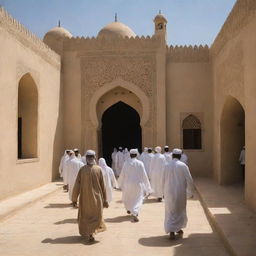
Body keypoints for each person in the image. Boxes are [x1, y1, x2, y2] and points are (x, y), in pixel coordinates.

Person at [72, 150, 108, 242]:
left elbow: (77, 185)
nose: (90, 158)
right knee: (96, 217)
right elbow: (103, 186)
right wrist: (105, 199)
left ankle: (90, 232)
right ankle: (92, 233)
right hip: (97, 200)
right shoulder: (98, 169)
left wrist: (74, 198)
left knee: (86, 217)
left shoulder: (83, 170)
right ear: (94, 158)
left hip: (85, 200)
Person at [163, 148, 194, 240]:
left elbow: (163, 180)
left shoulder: (167, 165)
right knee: (179, 210)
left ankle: (173, 230)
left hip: (168, 191)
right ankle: (176, 229)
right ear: (180, 156)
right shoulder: (183, 166)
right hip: (180, 192)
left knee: (170, 210)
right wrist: (190, 192)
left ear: (172, 156)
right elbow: (189, 180)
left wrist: (162, 192)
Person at [118, 149, 152, 222]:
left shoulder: (126, 163)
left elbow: (122, 174)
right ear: (136, 155)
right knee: (138, 199)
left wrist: (119, 184)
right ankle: (135, 212)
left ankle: (129, 209)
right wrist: (148, 187)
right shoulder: (140, 163)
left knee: (127, 198)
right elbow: (144, 175)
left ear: (130, 155)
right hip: (138, 184)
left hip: (127, 184)